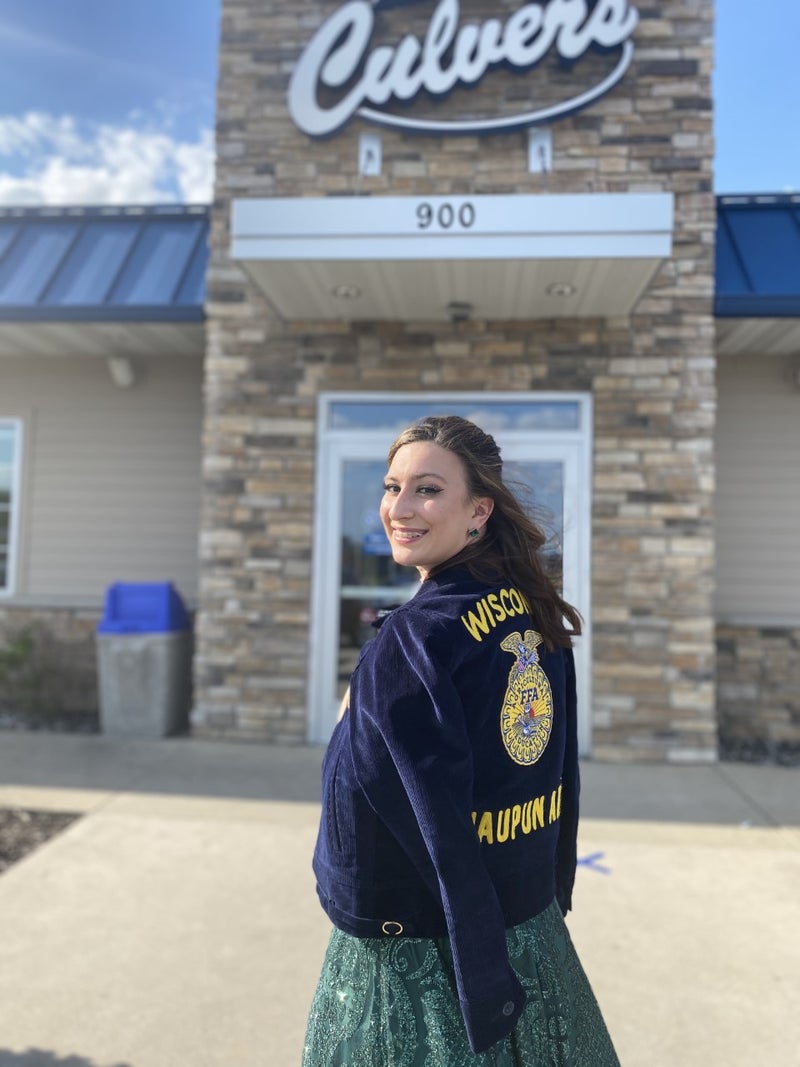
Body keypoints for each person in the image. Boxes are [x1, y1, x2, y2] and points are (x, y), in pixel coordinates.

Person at [303, 415, 618, 1066]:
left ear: (480, 511)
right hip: (528, 923)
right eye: (393, 487)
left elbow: (426, 827)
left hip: (426, 949)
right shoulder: (531, 611)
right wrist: (552, 883)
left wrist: (480, 975)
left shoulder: (414, 641)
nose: (399, 507)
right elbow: (558, 774)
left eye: (427, 489)